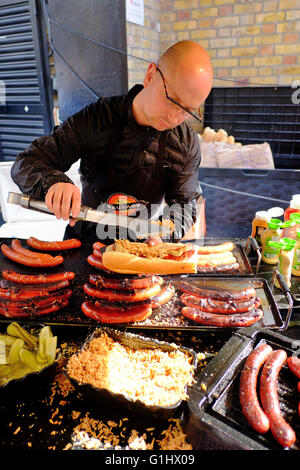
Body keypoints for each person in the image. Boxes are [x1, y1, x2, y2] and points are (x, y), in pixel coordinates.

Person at [11, 40, 213, 244]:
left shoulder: (185, 143)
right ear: (150, 75)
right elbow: (27, 162)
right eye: (173, 100)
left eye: (186, 111)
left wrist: (164, 232)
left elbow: (185, 205)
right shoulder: (98, 117)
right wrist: (53, 183)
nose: (174, 117)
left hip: (142, 248)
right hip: (85, 242)